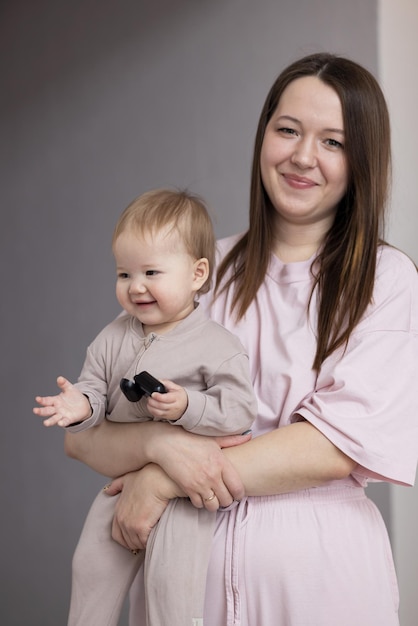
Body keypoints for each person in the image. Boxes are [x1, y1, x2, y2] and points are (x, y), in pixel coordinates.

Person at [64, 53, 418, 626]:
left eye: (334, 141)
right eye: (288, 130)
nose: (303, 156)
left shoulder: (385, 282)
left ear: (363, 161)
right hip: (182, 582)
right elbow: (85, 435)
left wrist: (161, 479)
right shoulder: (199, 272)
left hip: (322, 585)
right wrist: (159, 451)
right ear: (263, 137)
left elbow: (335, 446)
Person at [34, 188, 257, 626]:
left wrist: (188, 405)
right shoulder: (113, 335)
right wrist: (80, 404)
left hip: (183, 492)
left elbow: (240, 412)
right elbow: (95, 386)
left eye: (151, 272)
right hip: (123, 481)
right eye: (123, 274)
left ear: (197, 274)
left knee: (171, 586)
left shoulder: (217, 346)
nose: (136, 286)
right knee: (91, 566)